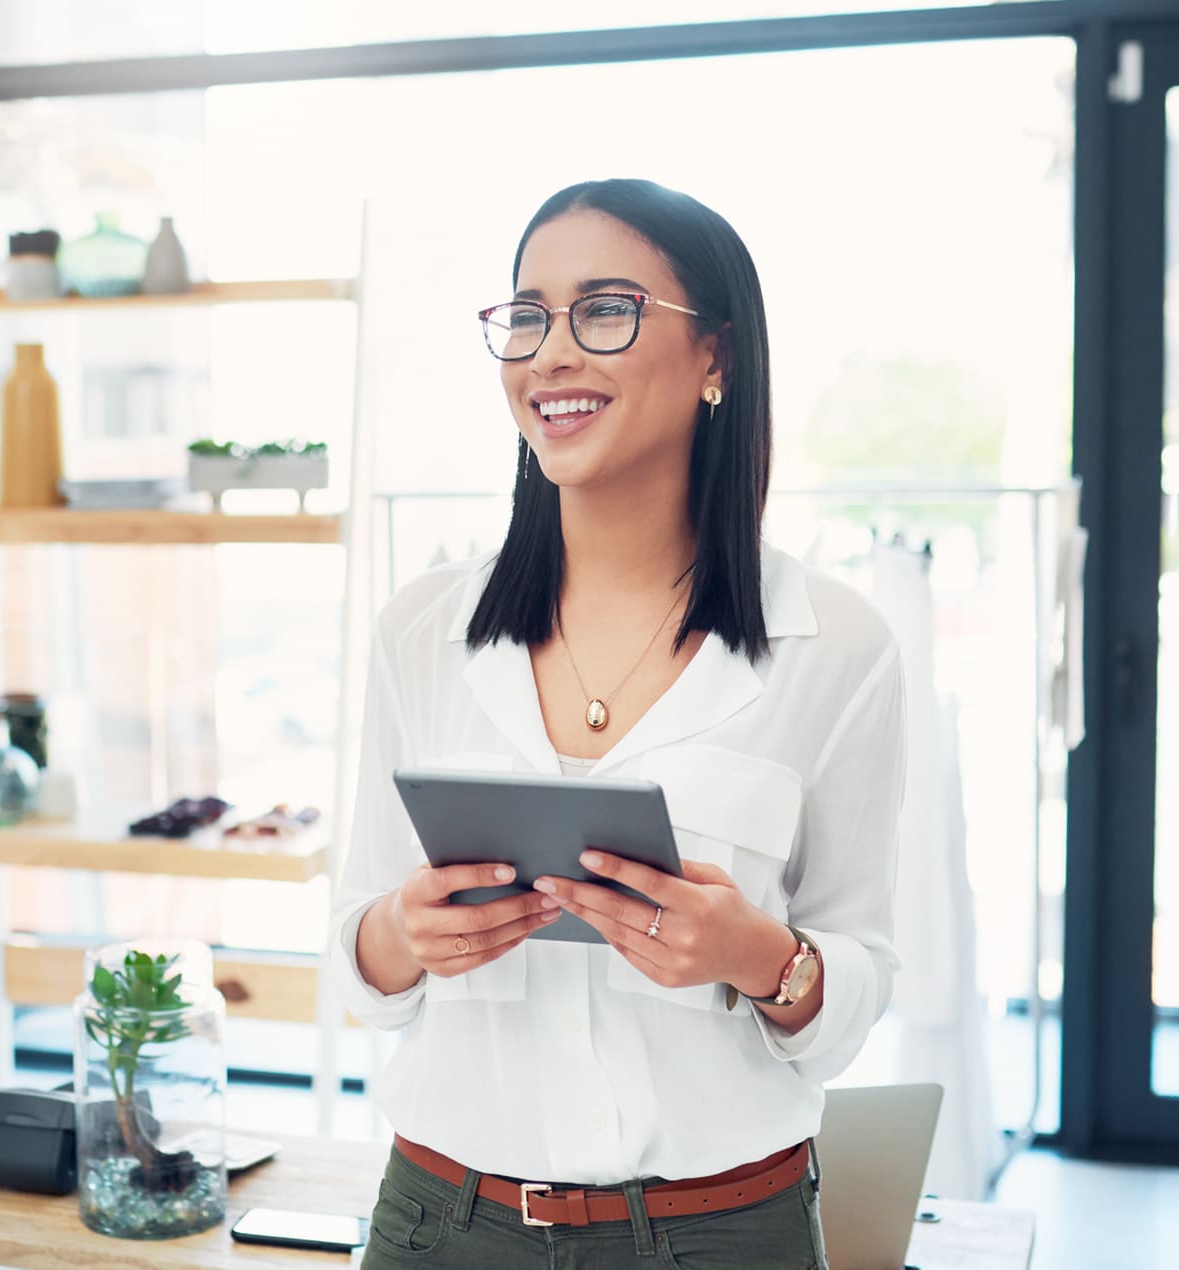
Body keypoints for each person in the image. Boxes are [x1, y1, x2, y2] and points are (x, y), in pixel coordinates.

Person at [331, 179, 905, 1269]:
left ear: (716, 358)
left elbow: (864, 968)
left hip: (722, 1233)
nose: (550, 353)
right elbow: (355, 947)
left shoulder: (838, 647)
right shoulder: (421, 630)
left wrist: (760, 957)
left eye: (605, 309)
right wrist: (404, 934)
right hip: (443, 1224)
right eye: (528, 315)